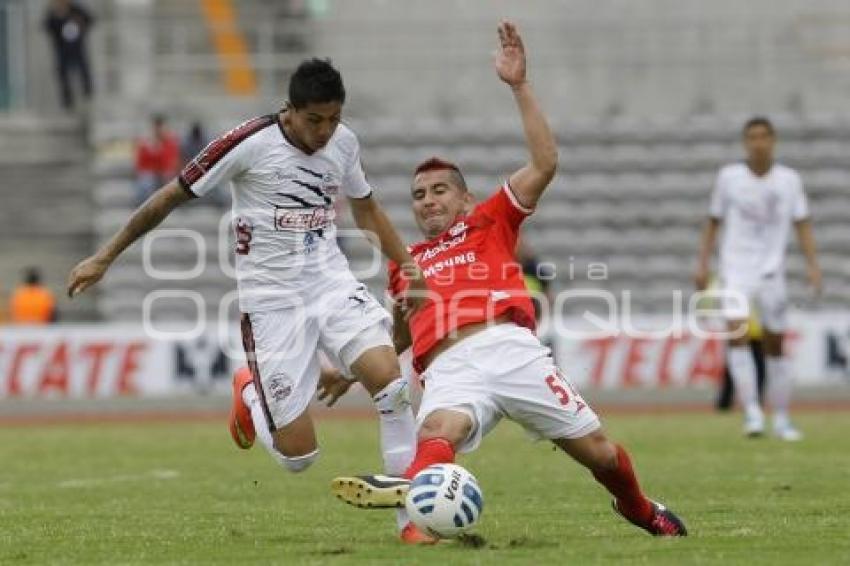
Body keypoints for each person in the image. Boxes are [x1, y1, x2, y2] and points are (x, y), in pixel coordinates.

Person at [330, 21, 687, 541]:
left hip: (512, 349)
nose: (427, 200)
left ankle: (636, 507)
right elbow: (401, 334)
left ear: (464, 199)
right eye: (418, 195)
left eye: (438, 191)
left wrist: (519, 86)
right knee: (436, 431)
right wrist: (355, 366)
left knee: (600, 453)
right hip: (450, 366)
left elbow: (546, 161)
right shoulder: (403, 260)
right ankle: (418, 523)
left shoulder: (490, 219)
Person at [67, 58, 426, 540]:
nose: (325, 132)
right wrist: (105, 256)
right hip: (271, 301)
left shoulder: (345, 143)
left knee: (393, 386)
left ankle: (411, 523)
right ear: (290, 110)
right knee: (300, 458)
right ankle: (250, 391)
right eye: (314, 120)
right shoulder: (247, 144)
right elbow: (169, 196)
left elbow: (367, 210)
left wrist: (407, 266)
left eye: (333, 119)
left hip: (330, 281)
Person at [695, 117, 822, 441]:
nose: (758, 142)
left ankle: (780, 417)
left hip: (771, 271)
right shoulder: (729, 177)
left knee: (775, 345)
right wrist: (702, 263)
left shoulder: (789, 180)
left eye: (763, 136)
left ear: (773, 140)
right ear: (745, 142)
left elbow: (802, 222)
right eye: (752, 137)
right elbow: (714, 220)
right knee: (736, 334)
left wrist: (813, 265)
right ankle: (752, 411)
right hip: (734, 269)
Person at [43, 0, 94, 111]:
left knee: (83, 70)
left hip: (77, 48)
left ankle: (87, 94)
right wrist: (58, 17)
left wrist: (80, 24)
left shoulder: (76, 9)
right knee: (63, 74)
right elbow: (47, 26)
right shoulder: (53, 12)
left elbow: (90, 20)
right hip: (61, 49)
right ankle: (68, 102)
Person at [134, 115, 181, 205]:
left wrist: (159, 152)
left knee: (170, 179)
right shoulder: (145, 143)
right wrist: (151, 151)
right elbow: (140, 164)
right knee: (146, 182)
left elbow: (172, 161)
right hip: (150, 172)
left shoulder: (170, 142)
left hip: (164, 172)